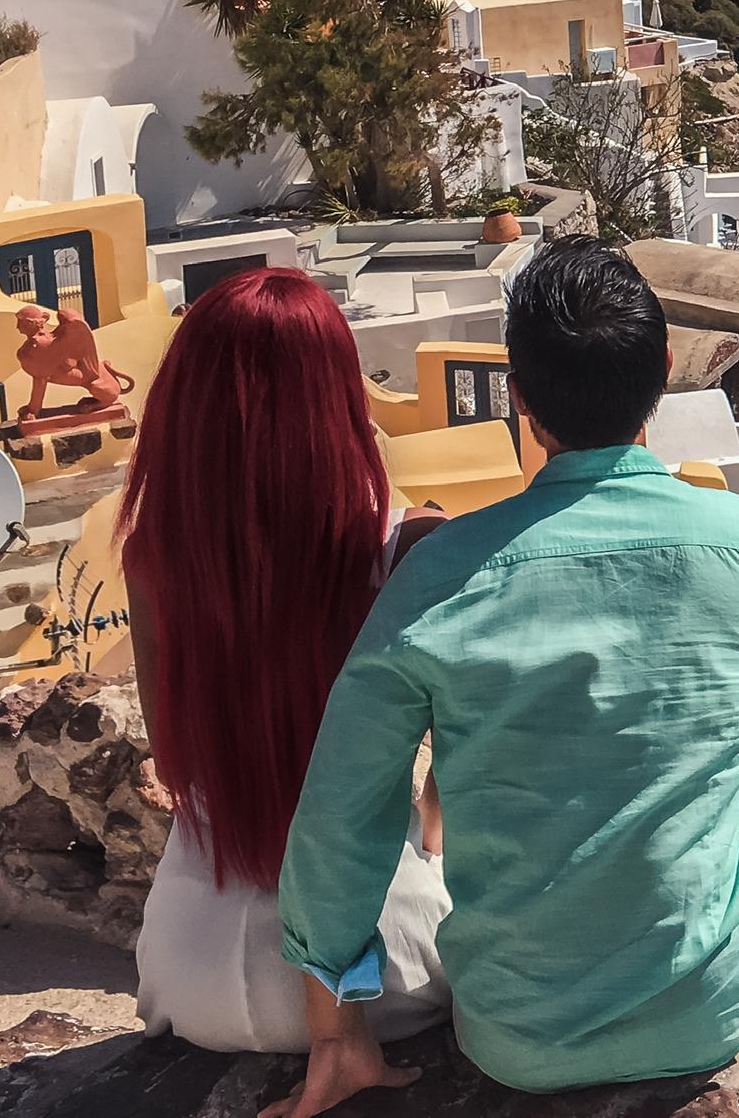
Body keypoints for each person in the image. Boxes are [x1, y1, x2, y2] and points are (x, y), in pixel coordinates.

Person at [269, 236, 739, 1109]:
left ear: (521, 401)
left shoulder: (437, 574)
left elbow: (341, 817)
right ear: (664, 378)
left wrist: (336, 1032)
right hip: (701, 1022)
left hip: (510, 1040)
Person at [120, 267, 449, 1053]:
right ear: (337, 401)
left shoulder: (151, 556)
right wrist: (431, 844)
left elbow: (174, 760)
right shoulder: (412, 550)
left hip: (190, 976)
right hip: (380, 975)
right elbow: (469, 759)